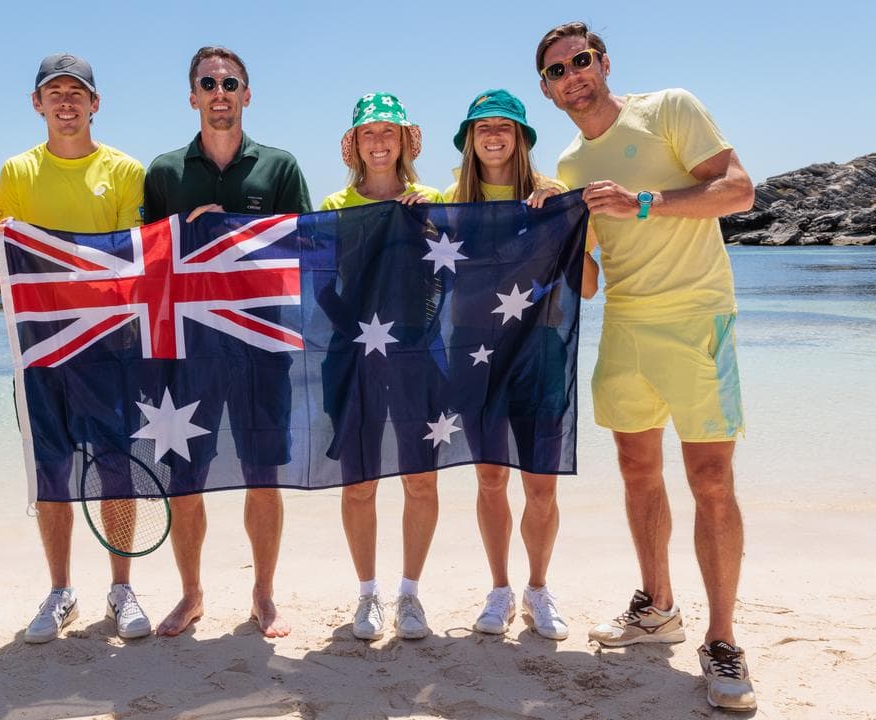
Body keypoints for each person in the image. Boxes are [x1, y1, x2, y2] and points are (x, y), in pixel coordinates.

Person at [537, 21, 757, 711]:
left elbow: (739, 191)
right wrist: (546, 232)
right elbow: (589, 282)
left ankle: (722, 640)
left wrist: (646, 203)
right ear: (546, 90)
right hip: (625, 324)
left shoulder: (668, 109)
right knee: (637, 470)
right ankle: (657, 607)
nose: (572, 76)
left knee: (711, 479)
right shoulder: (569, 165)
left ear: (603, 63)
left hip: (698, 316)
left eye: (580, 61)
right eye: (556, 71)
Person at [143, 46, 312, 638]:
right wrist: (186, 237)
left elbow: (306, 248)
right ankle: (191, 595)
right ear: (193, 96)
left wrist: (240, 236)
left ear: (247, 94)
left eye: (230, 83)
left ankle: (263, 595)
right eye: (209, 84)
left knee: (263, 476)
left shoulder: (280, 167)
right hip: (188, 350)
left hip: (261, 345)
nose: (220, 93)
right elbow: (144, 263)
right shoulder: (165, 171)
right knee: (184, 479)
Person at [0, 53, 152, 643]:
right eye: (54, 93)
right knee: (52, 470)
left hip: (111, 344)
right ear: (37, 104)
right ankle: (60, 591)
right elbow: (7, 263)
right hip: (40, 347)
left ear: (95, 103)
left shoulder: (126, 170)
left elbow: (128, 258)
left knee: (116, 467)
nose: (66, 103)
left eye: (76, 93)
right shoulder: (16, 171)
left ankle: (121, 588)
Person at [443, 89, 597, 642]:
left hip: (540, 350)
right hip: (475, 353)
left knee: (541, 485)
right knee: (490, 478)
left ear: (522, 137)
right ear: (469, 139)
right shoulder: (449, 202)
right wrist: (405, 219)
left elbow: (590, 286)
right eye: (482, 126)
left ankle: (538, 589)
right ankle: (499, 589)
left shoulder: (552, 197)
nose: (493, 135)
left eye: (504, 125)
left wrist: (566, 221)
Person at [318, 93, 444, 641]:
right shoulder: (334, 203)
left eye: (388, 132)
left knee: (420, 479)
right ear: (354, 143)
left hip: (418, 357)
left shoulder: (432, 200)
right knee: (359, 483)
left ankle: (409, 594)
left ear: (403, 141)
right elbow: (318, 284)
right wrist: (355, 331)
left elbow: (455, 272)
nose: (378, 142)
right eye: (368, 132)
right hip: (354, 359)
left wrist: (428, 225)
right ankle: (367, 593)